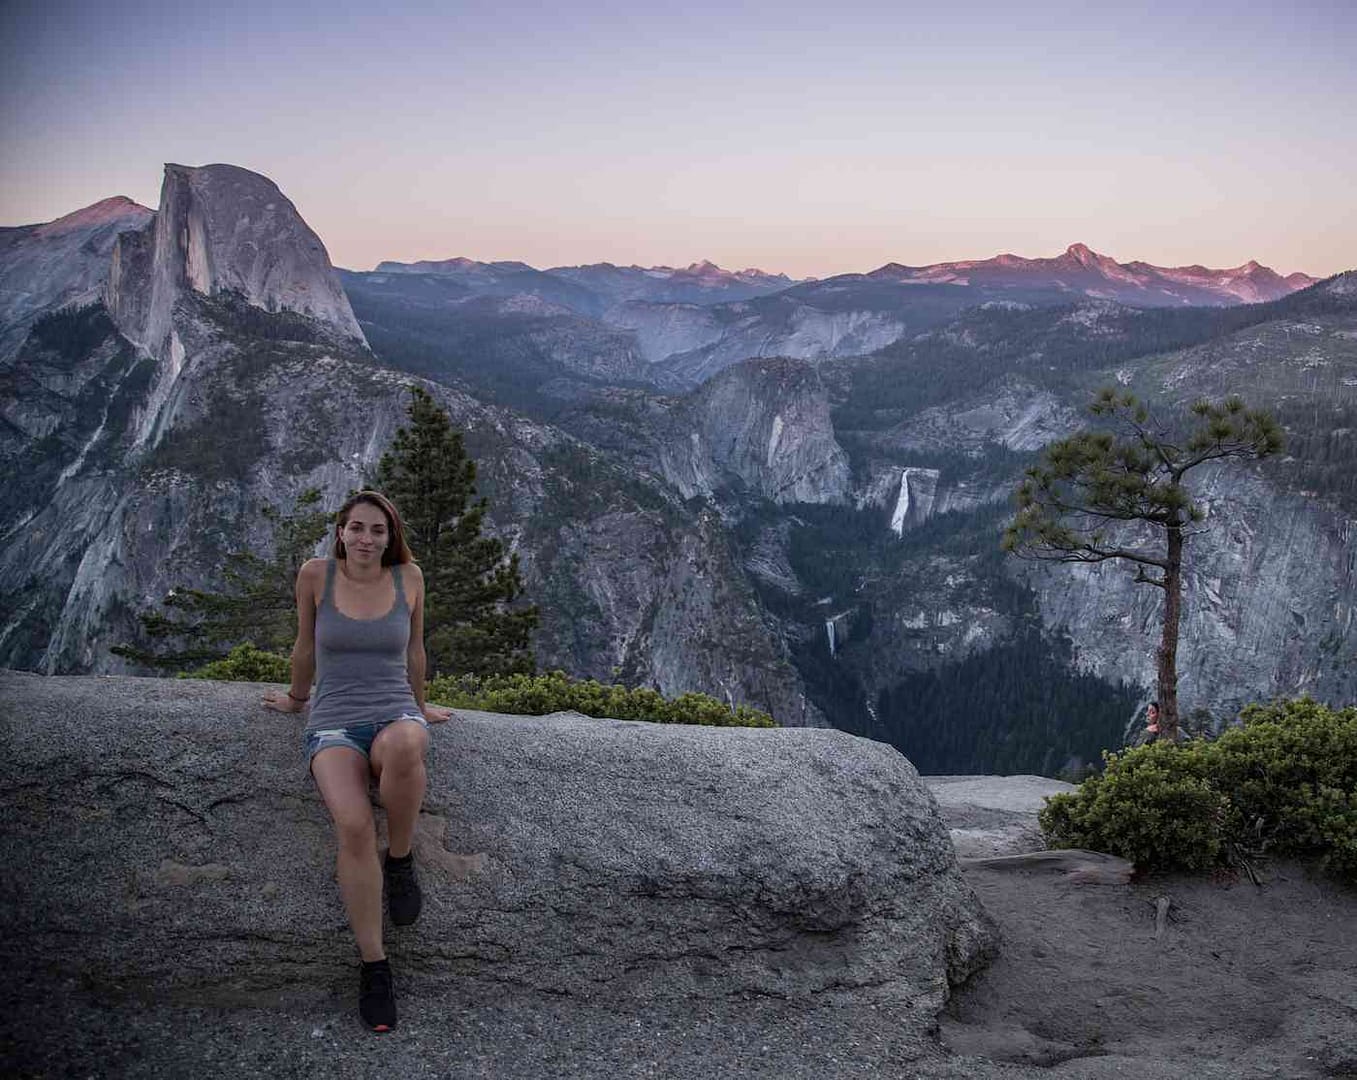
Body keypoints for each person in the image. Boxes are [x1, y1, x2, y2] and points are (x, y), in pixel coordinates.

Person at [263, 490, 451, 1033]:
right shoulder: (315, 575)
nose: (365, 539)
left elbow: (415, 651)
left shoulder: (408, 580)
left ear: (391, 538)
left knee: (407, 746)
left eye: (377, 530)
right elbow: (305, 645)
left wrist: (418, 707)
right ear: (340, 532)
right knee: (351, 824)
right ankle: (375, 965)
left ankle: (401, 856)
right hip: (334, 718)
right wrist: (297, 699)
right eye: (356, 528)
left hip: (393, 708)